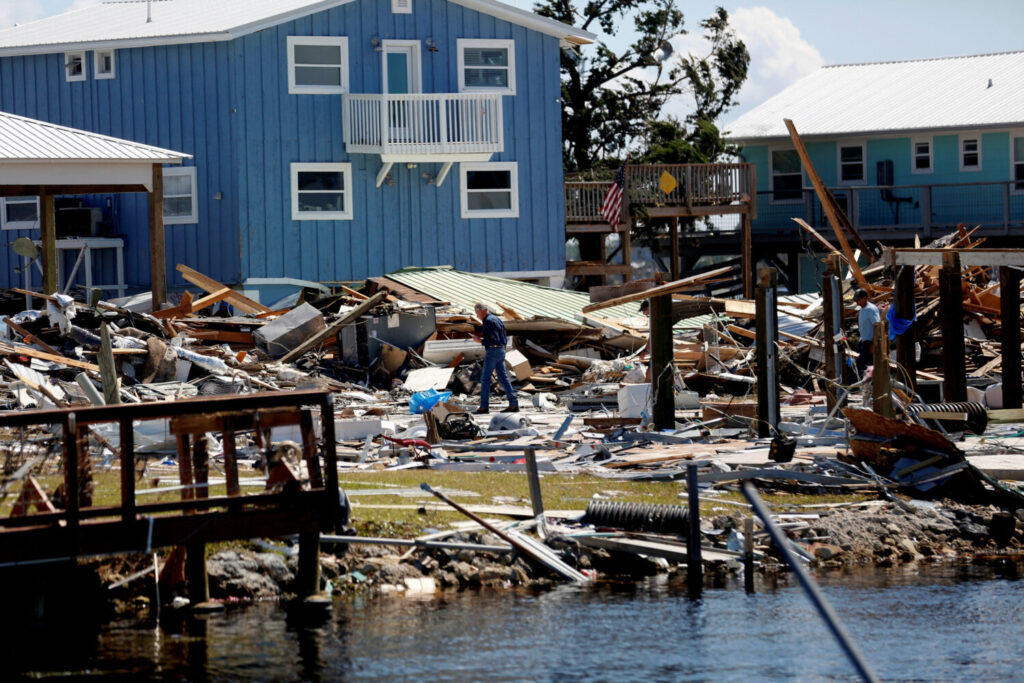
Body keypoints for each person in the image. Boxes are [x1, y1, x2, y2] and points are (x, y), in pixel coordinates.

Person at [474, 302, 519, 414]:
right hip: (501, 350)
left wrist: (480, 341)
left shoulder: (489, 321)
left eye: (477, 313)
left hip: (493, 350)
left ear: (481, 311)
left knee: (485, 379)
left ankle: (484, 407)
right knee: (503, 378)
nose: (476, 316)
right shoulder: (496, 319)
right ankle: (513, 404)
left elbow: (493, 339)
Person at [854, 288, 880, 378]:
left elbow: (877, 326)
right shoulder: (862, 309)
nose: (856, 301)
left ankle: (862, 386)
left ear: (864, 298)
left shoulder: (871, 309)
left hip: (870, 342)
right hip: (865, 342)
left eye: (858, 299)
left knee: (861, 365)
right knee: (865, 366)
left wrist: (873, 343)